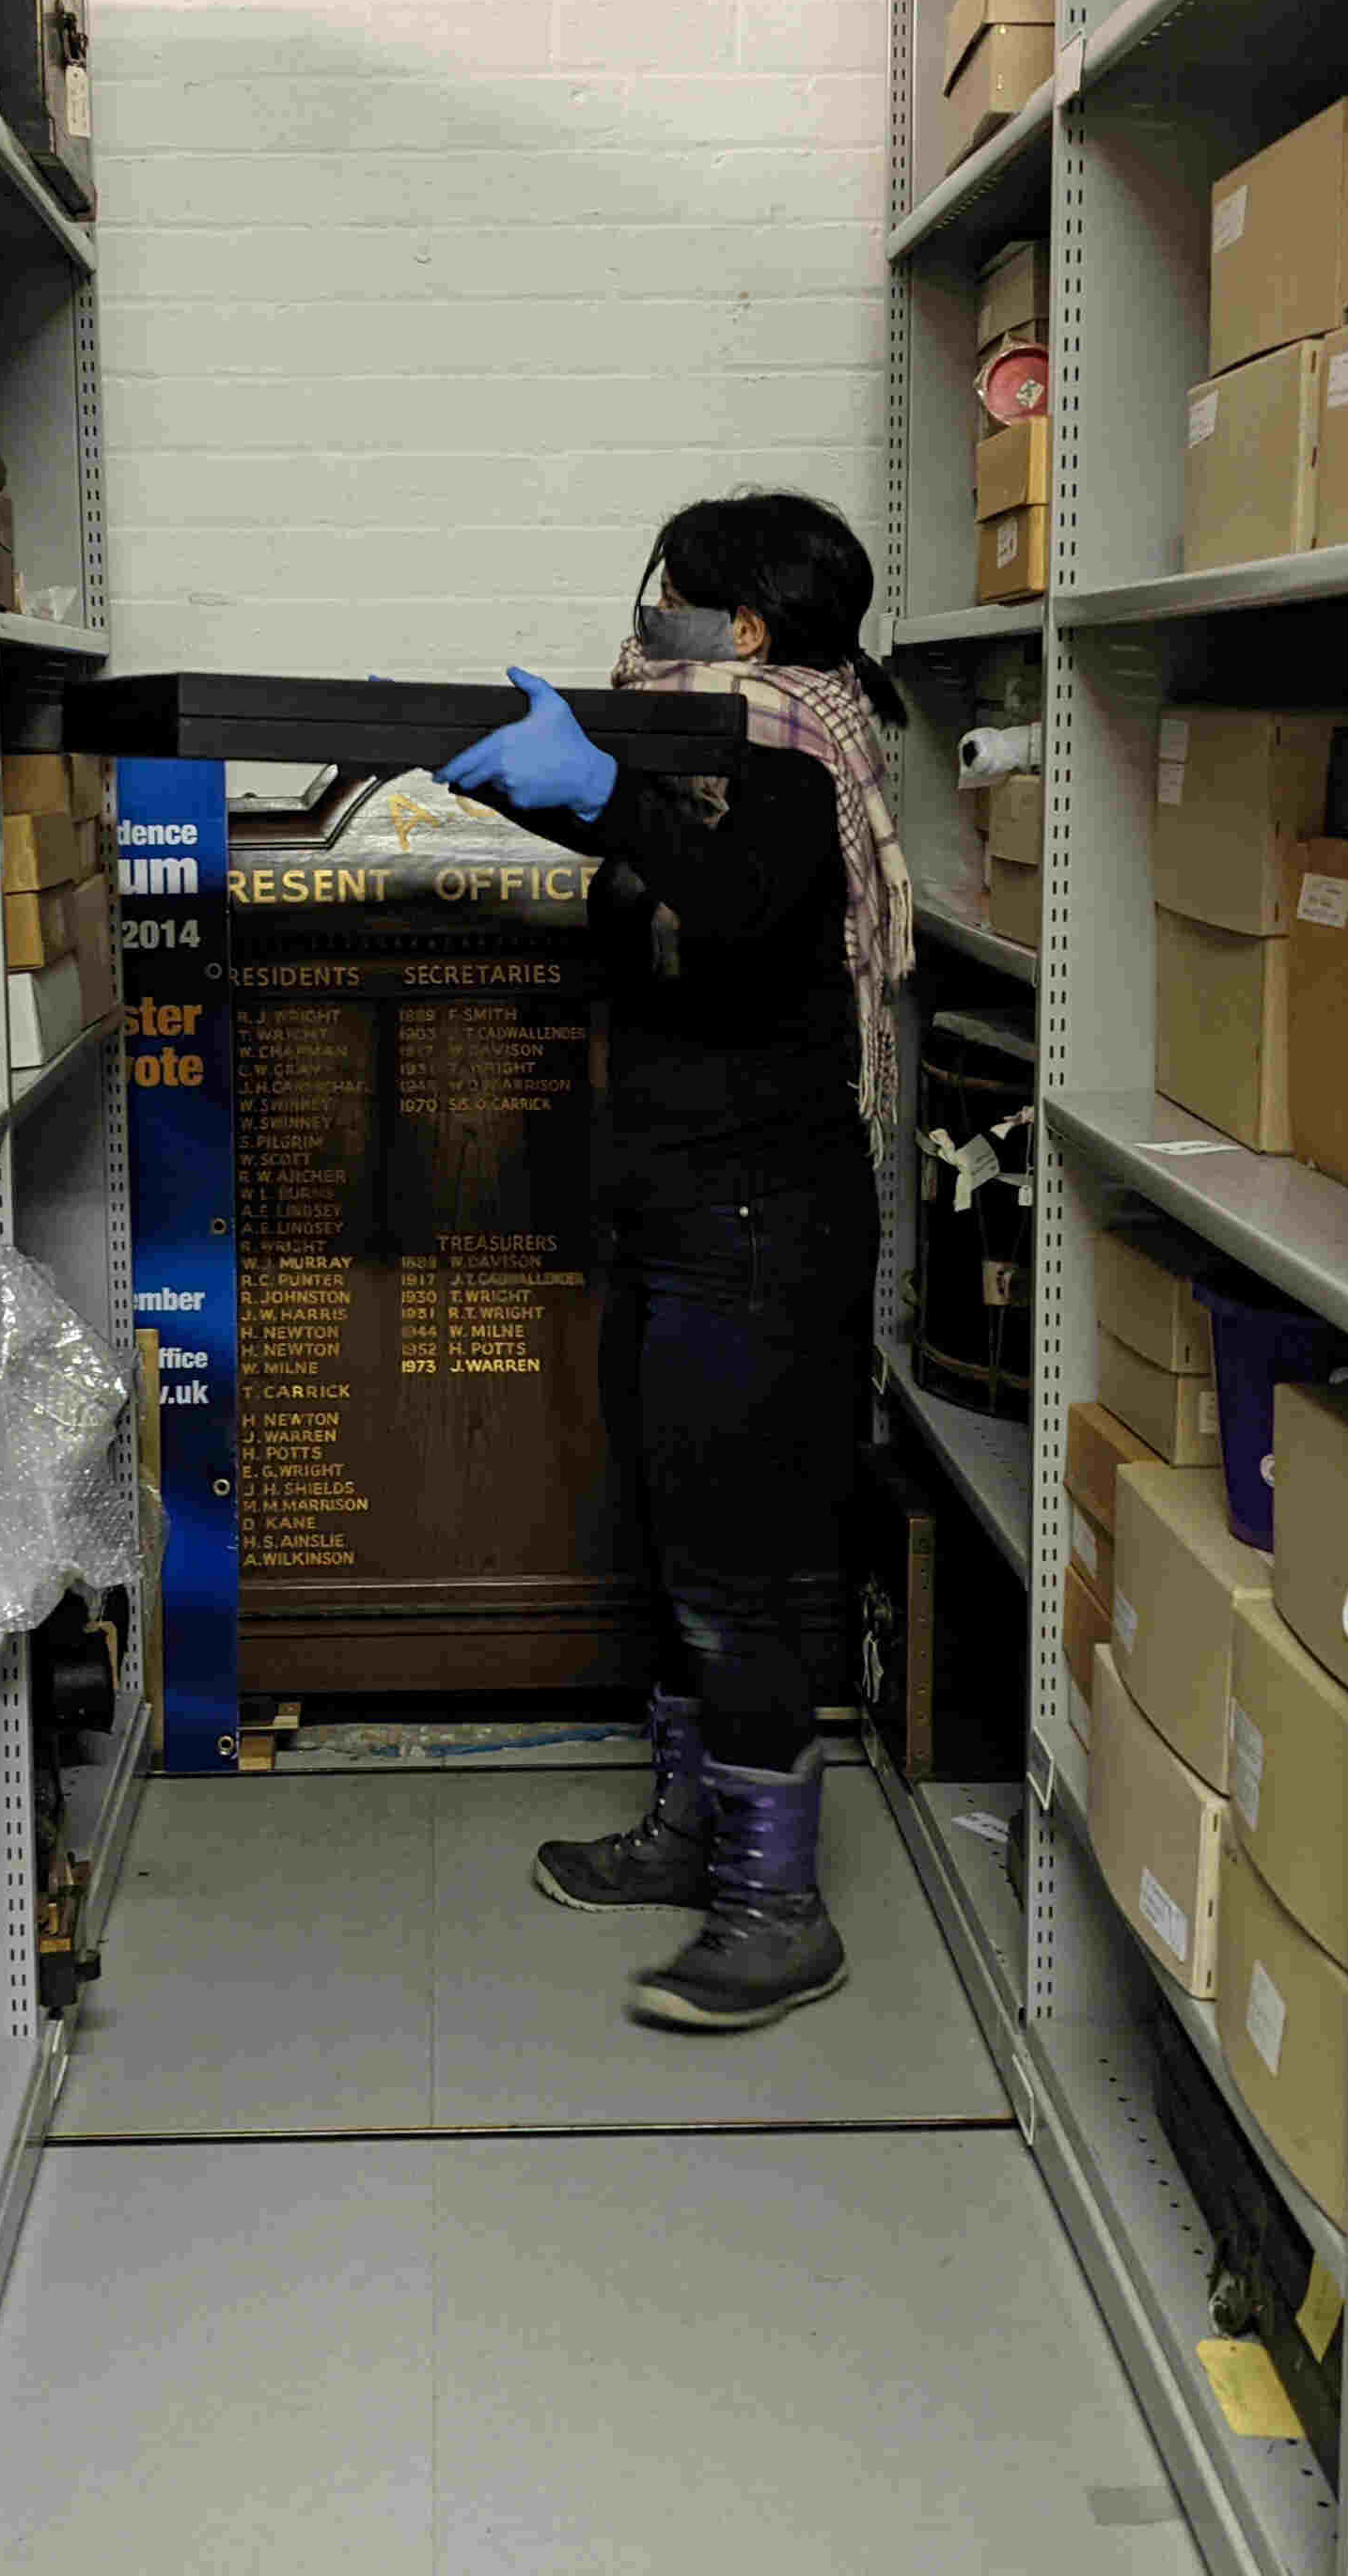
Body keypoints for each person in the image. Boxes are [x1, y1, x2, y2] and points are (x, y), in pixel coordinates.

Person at [433, 491, 913, 2032]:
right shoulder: (689, 758)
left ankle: (778, 1909)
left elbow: (742, 906)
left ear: (745, 628)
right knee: (677, 1534)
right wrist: (545, 795)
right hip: (680, 1213)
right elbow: (659, 904)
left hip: (762, 1226)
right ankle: (692, 1831)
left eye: (670, 599)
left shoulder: (777, 756)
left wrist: (605, 796)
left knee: (751, 1565)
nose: (644, 619)